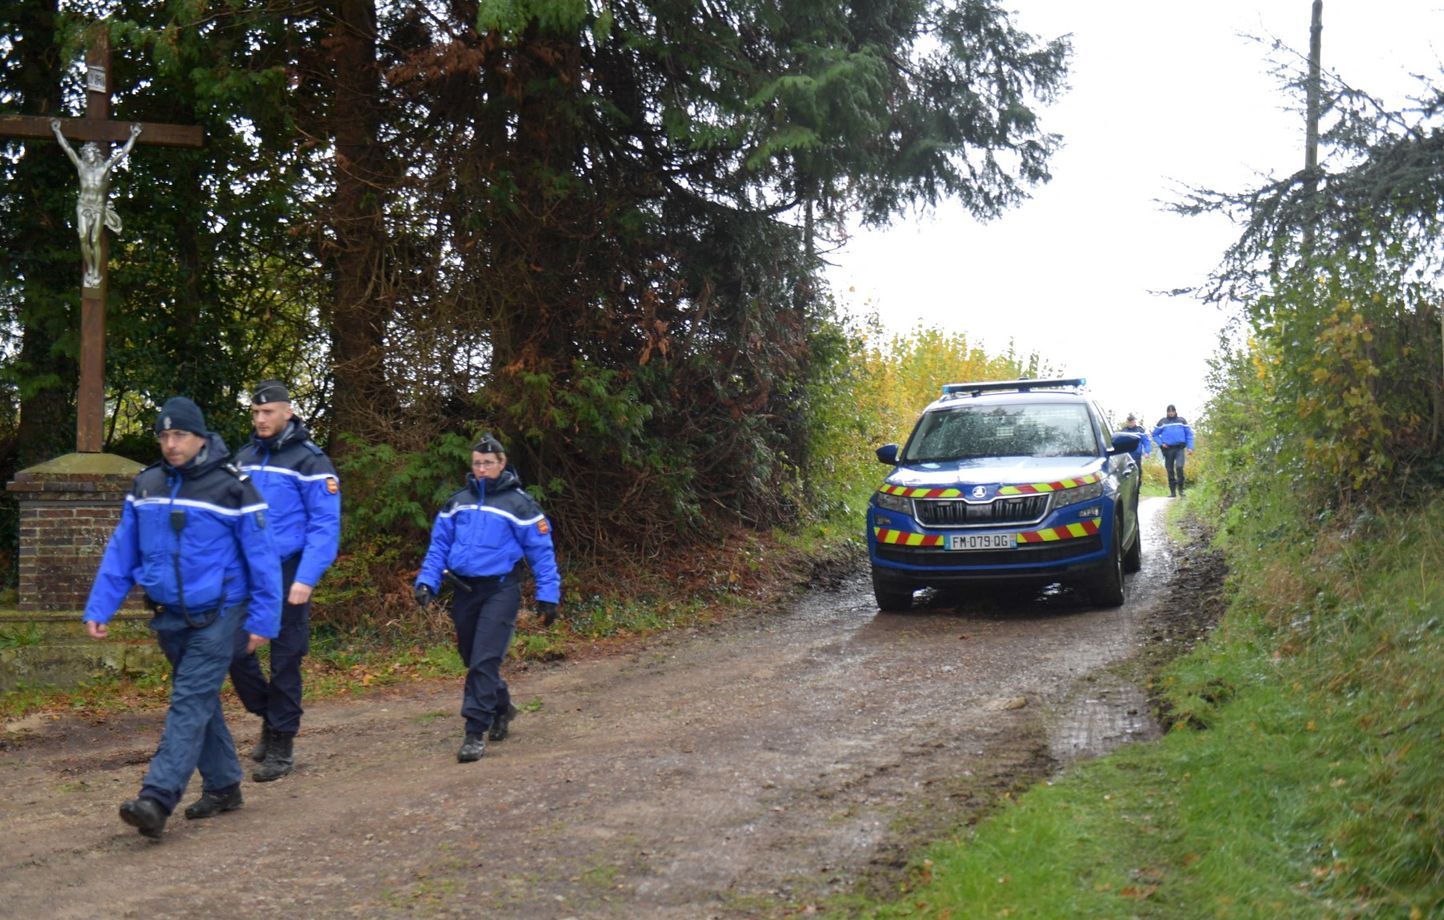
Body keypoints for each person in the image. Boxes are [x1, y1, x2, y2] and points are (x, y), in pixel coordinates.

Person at [83, 397, 281, 839]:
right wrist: (101, 605)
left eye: (180, 436)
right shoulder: (146, 484)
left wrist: (264, 619)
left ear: (200, 437)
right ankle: (225, 784)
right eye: (164, 436)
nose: (171, 444)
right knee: (200, 701)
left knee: (189, 700)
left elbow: (262, 557)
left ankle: (157, 797)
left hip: (222, 612)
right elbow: (122, 549)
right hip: (168, 614)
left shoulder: (233, 487)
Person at [414, 434, 561, 763]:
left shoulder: (520, 505)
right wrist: (427, 581)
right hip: (464, 591)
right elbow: (438, 547)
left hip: (501, 590)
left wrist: (548, 594)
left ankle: (473, 732)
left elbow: (542, 552)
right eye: (477, 463)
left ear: (502, 464)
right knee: (471, 657)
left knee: (484, 660)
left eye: (488, 463)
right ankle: (502, 707)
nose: (482, 469)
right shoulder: (457, 503)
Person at [229, 380, 341, 783]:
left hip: (290, 569)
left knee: (286, 658)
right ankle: (268, 714)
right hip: (245, 571)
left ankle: (281, 743)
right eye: (255, 413)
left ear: (287, 412)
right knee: (234, 650)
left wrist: (307, 577)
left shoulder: (311, 462)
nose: (260, 419)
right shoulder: (242, 457)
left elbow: (325, 525)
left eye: (268, 412)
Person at [50, 119, 141, 288]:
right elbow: (68, 149)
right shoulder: (81, 167)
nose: (87, 156)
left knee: (95, 239)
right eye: (86, 154)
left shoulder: (104, 168)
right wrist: (57, 132)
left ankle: (96, 272)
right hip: (83, 205)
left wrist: (134, 136)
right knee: (83, 237)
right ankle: (90, 268)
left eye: (90, 153)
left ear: (95, 154)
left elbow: (121, 154)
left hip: (98, 207)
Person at [1151, 404, 1195, 497]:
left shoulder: (1181, 421)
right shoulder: (1162, 422)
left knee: (1179, 467)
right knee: (1170, 470)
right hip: (1168, 449)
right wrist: (1161, 443)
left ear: (1175, 411)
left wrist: (1190, 447)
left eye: (1172, 411)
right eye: (1169, 411)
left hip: (1179, 448)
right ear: (1167, 412)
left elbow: (1189, 435)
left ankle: (1181, 490)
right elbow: (1154, 434)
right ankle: (1172, 492)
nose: (1171, 413)